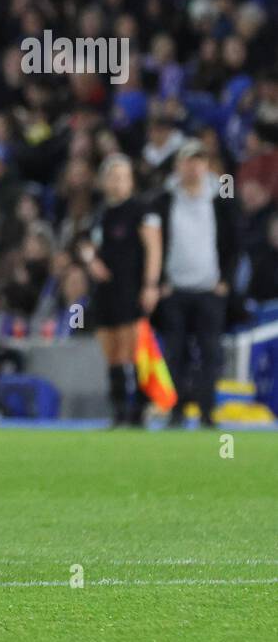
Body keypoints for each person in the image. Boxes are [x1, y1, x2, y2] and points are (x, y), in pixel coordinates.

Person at [149, 139, 239, 428]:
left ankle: (206, 412)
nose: (194, 167)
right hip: (174, 289)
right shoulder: (164, 198)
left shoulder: (221, 196)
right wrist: (160, 279)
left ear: (207, 165)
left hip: (209, 289)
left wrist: (225, 280)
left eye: (200, 160)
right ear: (179, 165)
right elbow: (154, 242)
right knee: (175, 354)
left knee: (210, 353)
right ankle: (175, 411)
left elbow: (234, 241)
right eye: (188, 160)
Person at [78, 153, 163, 428]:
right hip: (105, 290)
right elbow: (85, 244)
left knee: (133, 350)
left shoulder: (141, 210)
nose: (117, 182)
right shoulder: (99, 213)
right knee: (111, 351)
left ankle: (139, 410)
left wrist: (151, 284)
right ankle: (118, 411)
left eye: (122, 177)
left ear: (131, 181)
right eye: (112, 177)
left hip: (131, 287)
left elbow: (154, 248)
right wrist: (91, 261)